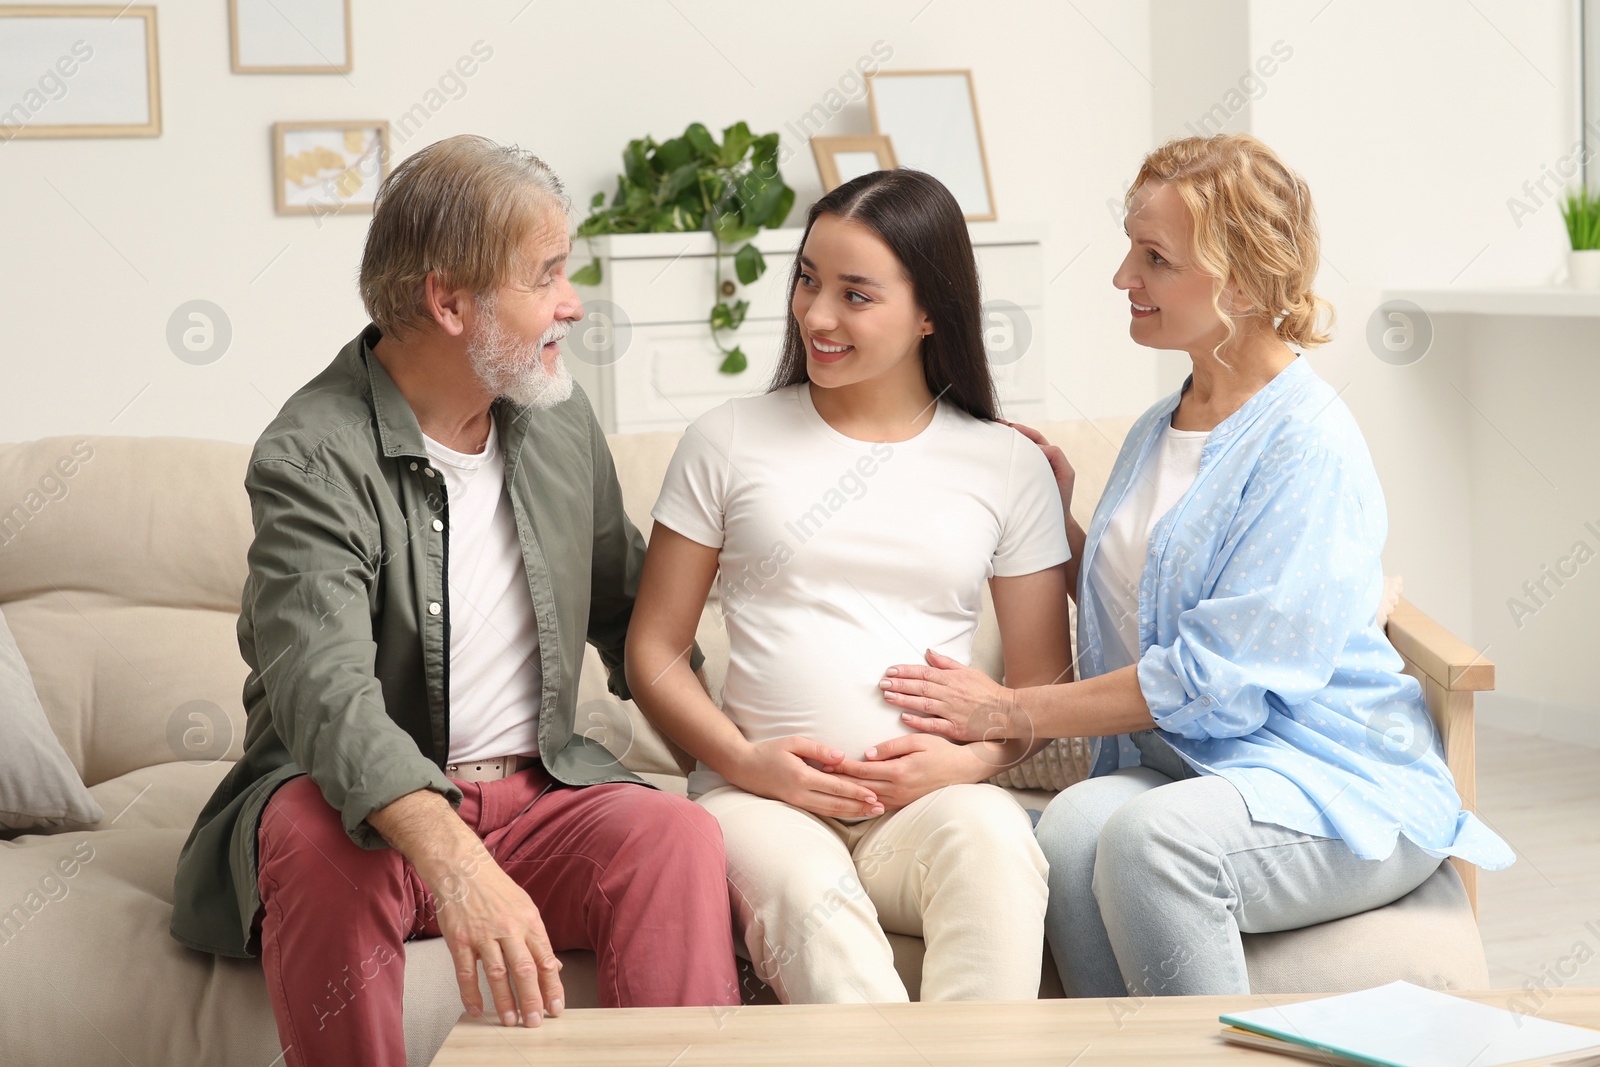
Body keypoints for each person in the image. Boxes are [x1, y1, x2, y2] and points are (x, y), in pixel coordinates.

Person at [875, 133, 1514, 998]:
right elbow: (1149, 608)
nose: (1121, 279)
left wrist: (1009, 709)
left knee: (1153, 841)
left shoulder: (1307, 442)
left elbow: (1214, 679)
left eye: (1155, 258)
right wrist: (1062, 523)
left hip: (1330, 778)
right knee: (1068, 832)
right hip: (1199, 769)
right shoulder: (1159, 425)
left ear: (1243, 280)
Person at [169, 135, 739, 1067]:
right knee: (314, 840)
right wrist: (458, 860)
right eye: (547, 274)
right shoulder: (310, 454)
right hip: (366, 811)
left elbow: (636, 617)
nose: (573, 302)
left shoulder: (556, 418)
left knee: (674, 835)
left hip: (540, 792)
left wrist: (736, 763)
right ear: (449, 301)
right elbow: (325, 695)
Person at [625, 169, 1073, 1003]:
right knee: (810, 903)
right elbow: (652, 648)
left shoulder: (1007, 463)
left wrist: (962, 763)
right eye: (807, 279)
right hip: (761, 804)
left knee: (999, 850)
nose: (816, 315)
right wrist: (746, 761)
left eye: (855, 294)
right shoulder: (725, 440)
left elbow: (1041, 686)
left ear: (931, 309)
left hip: (930, 805)